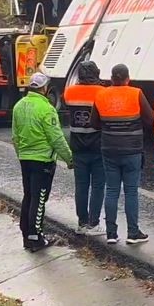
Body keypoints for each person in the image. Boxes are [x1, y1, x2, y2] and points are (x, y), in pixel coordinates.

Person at [12, 72, 72, 252]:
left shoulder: (18, 106)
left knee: (29, 195)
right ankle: (35, 237)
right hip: (43, 160)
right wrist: (69, 159)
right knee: (39, 198)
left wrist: (21, 154)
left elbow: (15, 136)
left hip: (25, 158)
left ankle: (26, 234)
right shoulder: (47, 109)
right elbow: (57, 139)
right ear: (45, 88)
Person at [94, 63, 153, 245]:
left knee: (111, 190)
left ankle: (111, 233)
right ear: (128, 78)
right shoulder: (136, 93)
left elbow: (93, 123)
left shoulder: (100, 95)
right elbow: (150, 119)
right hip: (132, 149)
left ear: (112, 78)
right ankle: (133, 233)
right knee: (130, 191)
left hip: (109, 148)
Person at [63, 60, 106, 236]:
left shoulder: (69, 92)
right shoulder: (102, 92)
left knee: (81, 185)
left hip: (77, 145)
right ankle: (93, 223)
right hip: (98, 145)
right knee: (98, 186)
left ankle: (82, 222)